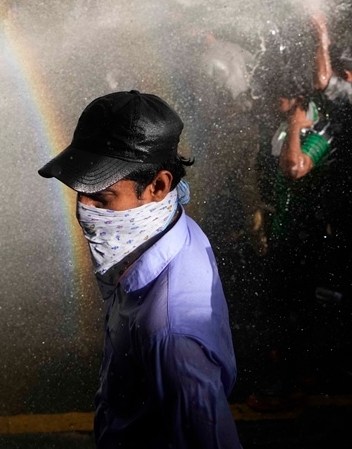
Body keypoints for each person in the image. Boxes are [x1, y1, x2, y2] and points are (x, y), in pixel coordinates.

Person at [37, 91, 241, 449]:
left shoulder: (171, 335)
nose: (83, 210)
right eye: (79, 191)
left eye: (101, 197)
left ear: (158, 186)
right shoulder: (169, 225)